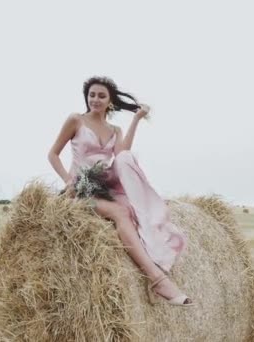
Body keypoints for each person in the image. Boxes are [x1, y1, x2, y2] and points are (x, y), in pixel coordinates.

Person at [47, 76, 194, 306]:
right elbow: (52, 154)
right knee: (120, 212)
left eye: (101, 96)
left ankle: (155, 258)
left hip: (104, 186)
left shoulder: (114, 129)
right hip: (80, 194)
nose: (95, 99)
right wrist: (68, 181)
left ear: (110, 101)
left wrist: (136, 119)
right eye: (92, 95)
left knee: (126, 163)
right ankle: (157, 279)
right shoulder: (76, 120)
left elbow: (122, 153)